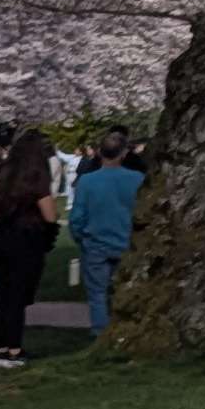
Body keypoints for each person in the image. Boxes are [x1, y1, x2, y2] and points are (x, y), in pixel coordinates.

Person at [0, 127, 56, 367]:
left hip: (3, 238)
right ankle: (14, 350)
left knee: (4, 295)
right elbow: (49, 215)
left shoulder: (5, 174)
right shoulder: (37, 176)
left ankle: (1, 347)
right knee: (17, 297)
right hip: (26, 239)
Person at [67, 143, 143, 335]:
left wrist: (79, 237)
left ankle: (100, 330)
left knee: (97, 292)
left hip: (95, 242)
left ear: (100, 153)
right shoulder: (137, 179)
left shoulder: (87, 181)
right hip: (127, 241)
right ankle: (125, 329)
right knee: (125, 289)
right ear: (124, 153)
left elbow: (77, 216)